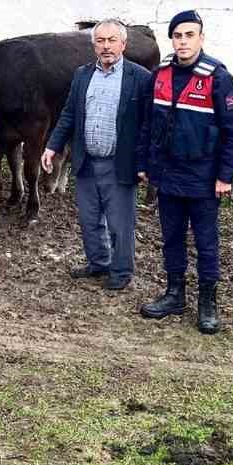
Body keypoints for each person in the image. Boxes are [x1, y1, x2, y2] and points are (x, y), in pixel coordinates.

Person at [138, 10, 233, 334]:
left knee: (206, 243)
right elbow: (146, 125)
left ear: (201, 38)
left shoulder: (218, 78)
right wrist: (143, 165)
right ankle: (174, 295)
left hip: (204, 177)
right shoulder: (158, 76)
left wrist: (225, 176)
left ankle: (207, 303)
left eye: (189, 35)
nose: (183, 41)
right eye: (177, 36)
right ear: (171, 39)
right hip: (167, 175)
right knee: (171, 238)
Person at [41, 19, 154, 291]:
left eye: (112, 40)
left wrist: (144, 162)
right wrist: (52, 146)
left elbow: (149, 125)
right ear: (94, 46)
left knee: (119, 223)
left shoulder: (140, 78)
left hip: (119, 164)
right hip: (86, 161)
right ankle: (98, 262)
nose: (106, 46)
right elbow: (69, 114)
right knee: (89, 219)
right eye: (100, 41)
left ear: (123, 44)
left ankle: (122, 271)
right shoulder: (82, 74)